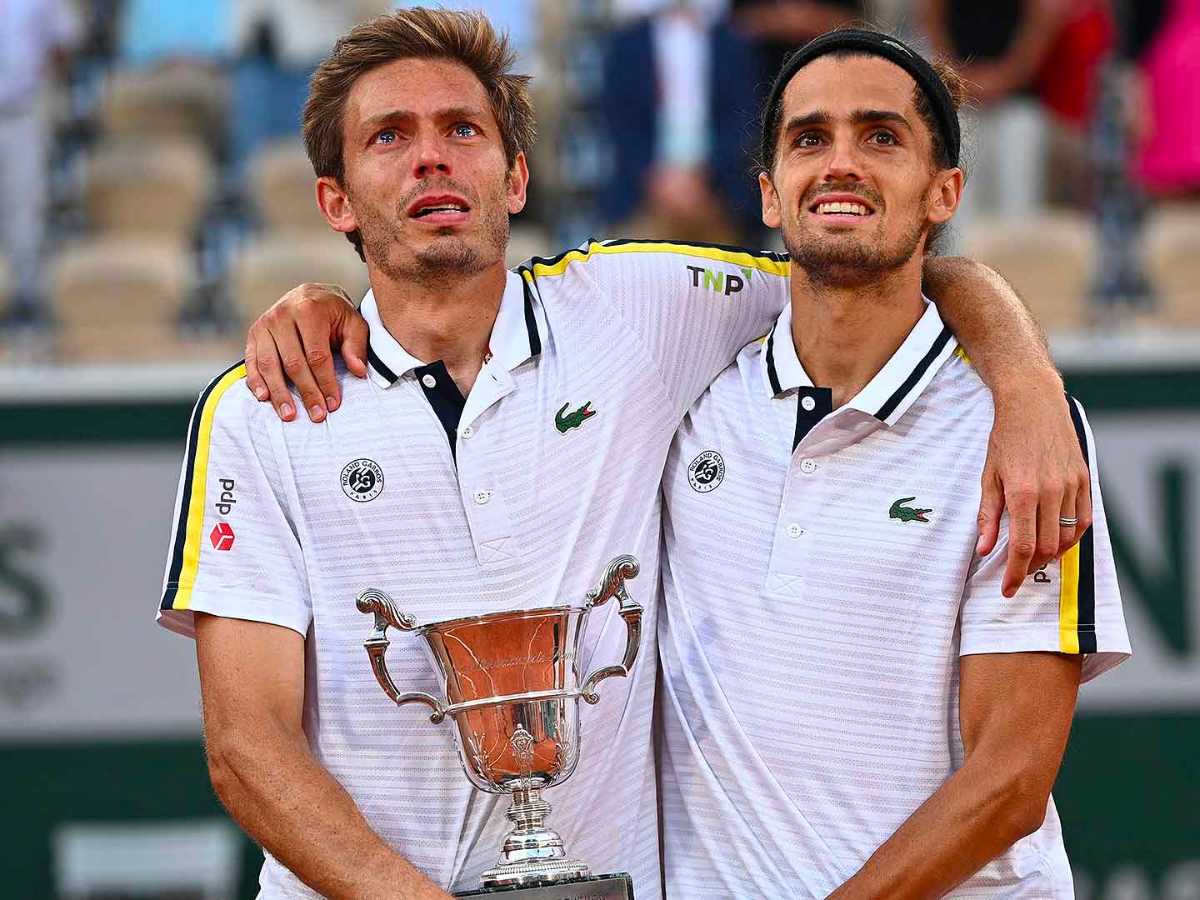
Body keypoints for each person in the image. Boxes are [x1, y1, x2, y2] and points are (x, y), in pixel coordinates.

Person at [163, 9, 1091, 898]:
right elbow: (248, 748)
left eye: (462, 129)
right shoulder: (260, 412)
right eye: (389, 137)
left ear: (517, 178)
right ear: (335, 199)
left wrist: (1023, 379)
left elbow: (866, 261)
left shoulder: (634, 308)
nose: (432, 157)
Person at [656, 31, 1130, 897]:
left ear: (943, 192)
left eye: (881, 137)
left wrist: (1025, 381)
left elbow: (1011, 783)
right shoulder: (686, 388)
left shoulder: (1017, 432)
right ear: (768, 193)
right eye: (810, 138)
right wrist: (319, 301)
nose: (841, 163)